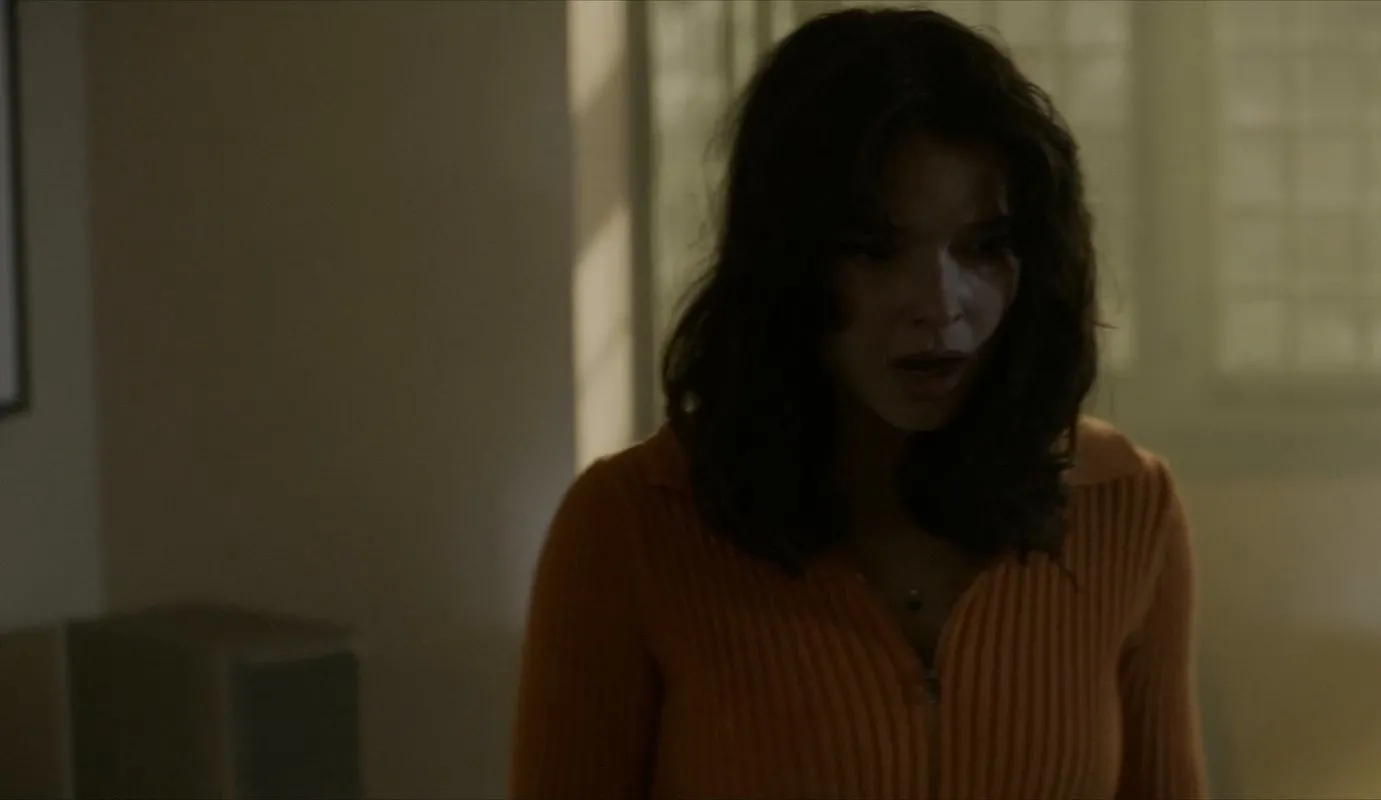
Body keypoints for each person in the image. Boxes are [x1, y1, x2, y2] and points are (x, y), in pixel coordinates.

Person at [510, 7, 1205, 799]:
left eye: (984, 248)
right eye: (875, 251)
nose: (939, 306)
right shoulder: (631, 523)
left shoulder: (1126, 506)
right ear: (789, 262)